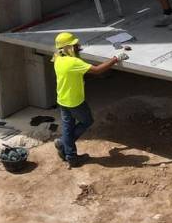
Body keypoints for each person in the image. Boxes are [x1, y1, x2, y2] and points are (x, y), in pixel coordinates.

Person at [52, 31, 122, 168]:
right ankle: (63, 144)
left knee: (68, 127)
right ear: (67, 48)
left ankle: (70, 156)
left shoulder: (56, 58)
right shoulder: (73, 62)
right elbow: (97, 70)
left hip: (62, 99)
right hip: (75, 101)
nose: (77, 47)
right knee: (87, 121)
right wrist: (115, 59)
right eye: (74, 45)